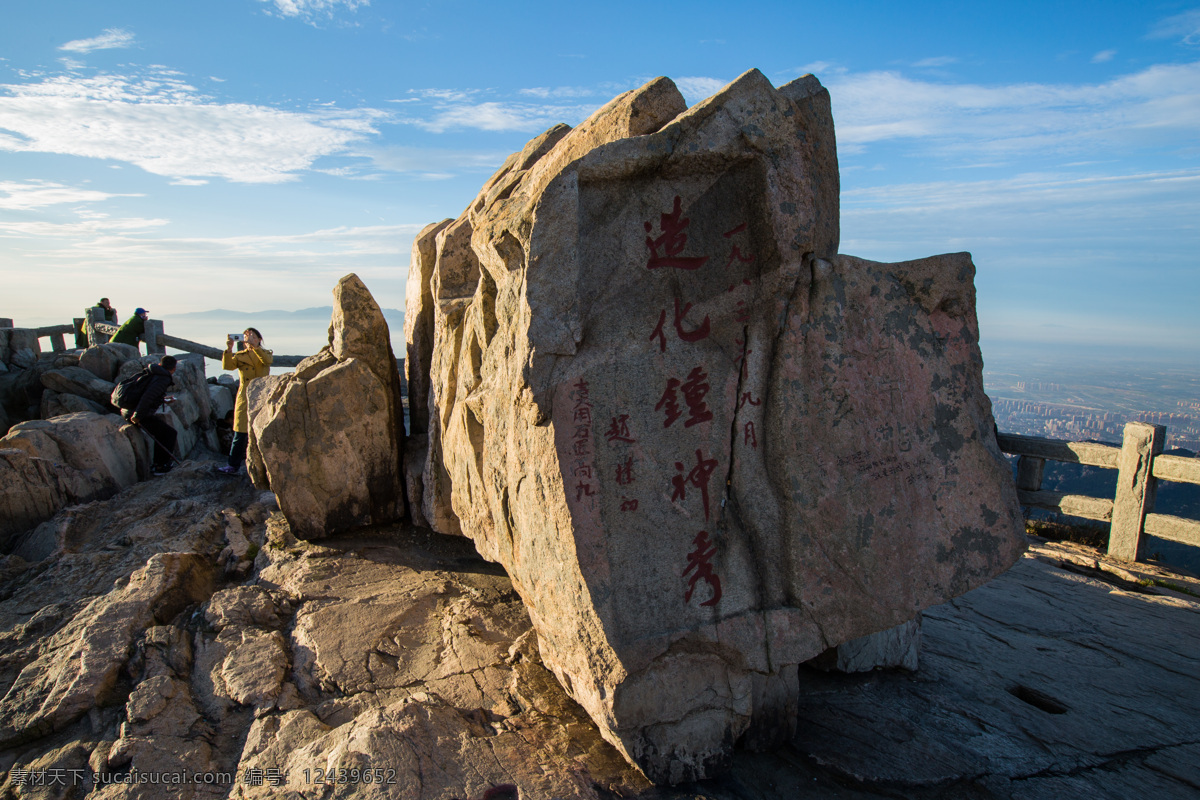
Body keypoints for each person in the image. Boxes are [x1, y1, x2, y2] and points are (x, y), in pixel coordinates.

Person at [218, 327, 272, 475]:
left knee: (261, 431)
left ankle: (265, 466)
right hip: (245, 396)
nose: (248, 339)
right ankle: (232, 465)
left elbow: (266, 362)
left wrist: (255, 348)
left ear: (259, 340)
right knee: (240, 433)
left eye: (252, 336)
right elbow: (227, 366)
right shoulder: (240, 356)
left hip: (261, 395)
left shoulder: (265, 353)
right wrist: (229, 349)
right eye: (246, 336)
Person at [123, 355, 178, 476]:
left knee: (162, 431)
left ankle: (159, 464)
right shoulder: (163, 378)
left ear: (160, 364)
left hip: (129, 409)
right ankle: (160, 466)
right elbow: (146, 398)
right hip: (137, 413)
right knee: (169, 433)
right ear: (174, 369)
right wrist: (137, 416)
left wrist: (163, 399)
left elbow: (148, 393)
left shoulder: (152, 372)